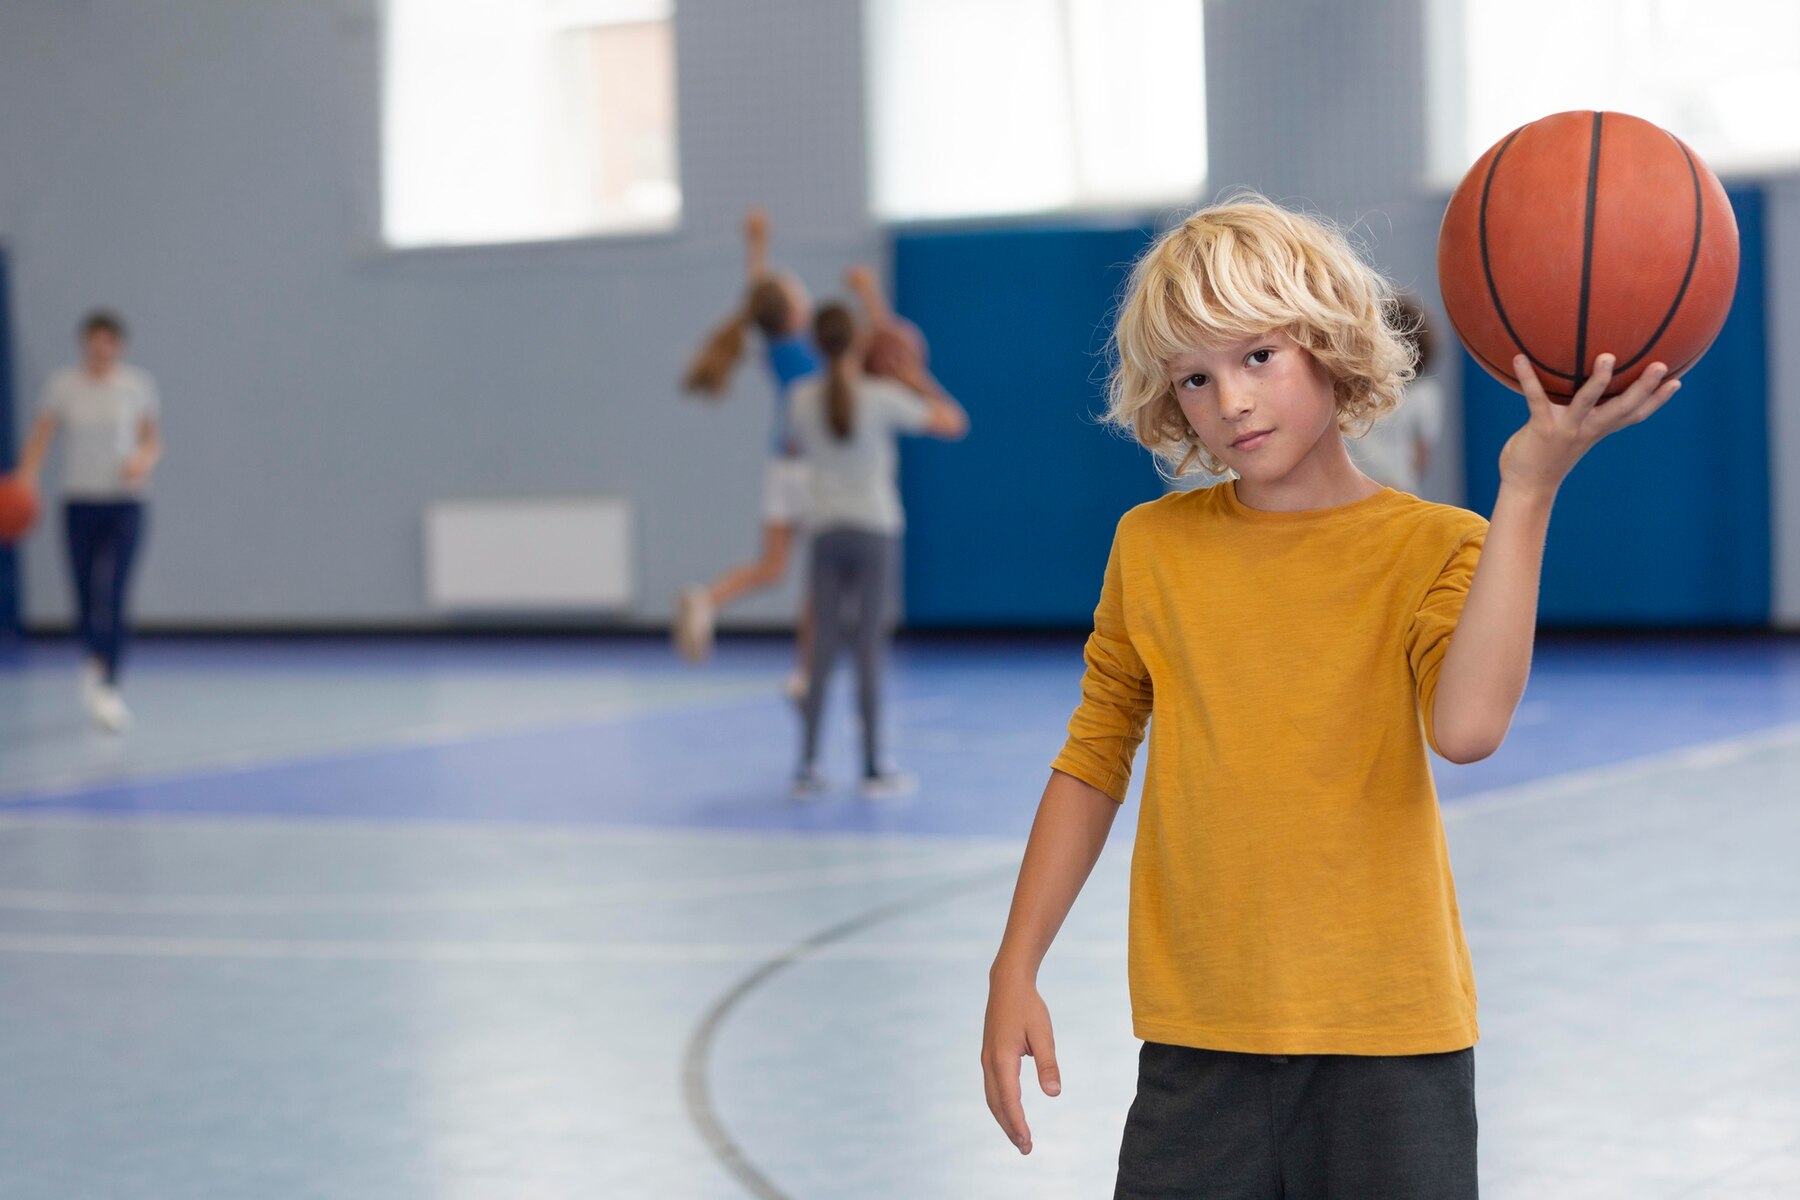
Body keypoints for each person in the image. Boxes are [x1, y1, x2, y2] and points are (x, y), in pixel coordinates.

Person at [979, 198, 1679, 1197]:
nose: (1230, 401)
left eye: (1258, 356)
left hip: (1393, 1044)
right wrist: (1015, 963)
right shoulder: (1154, 548)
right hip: (1200, 1041)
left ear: (1330, 347)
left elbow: (1470, 729)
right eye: (1196, 378)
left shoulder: (1436, 547)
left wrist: (1527, 491)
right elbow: (1093, 761)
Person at [786, 301, 966, 799]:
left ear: (815, 345)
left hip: (825, 531)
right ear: (859, 344)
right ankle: (870, 769)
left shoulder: (799, 398)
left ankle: (807, 767)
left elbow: (800, 447)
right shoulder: (881, 397)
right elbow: (953, 422)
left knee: (820, 652)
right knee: (868, 650)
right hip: (875, 529)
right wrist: (915, 377)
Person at [18, 310, 164, 732]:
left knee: (115, 592)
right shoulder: (63, 386)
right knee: (84, 595)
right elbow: (42, 436)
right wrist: (25, 481)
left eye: (108, 342)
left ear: (119, 346)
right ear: (85, 345)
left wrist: (142, 461)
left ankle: (111, 684)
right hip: (80, 503)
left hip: (125, 503)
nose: (101, 350)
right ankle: (92, 658)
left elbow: (151, 439)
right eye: (93, 342)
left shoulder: (137, 387)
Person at [1351, 294, 1446, 495]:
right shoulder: (1426, 394)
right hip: (1397, 486)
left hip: (1353, 486)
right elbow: (1420, 457)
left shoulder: (1351, 385)